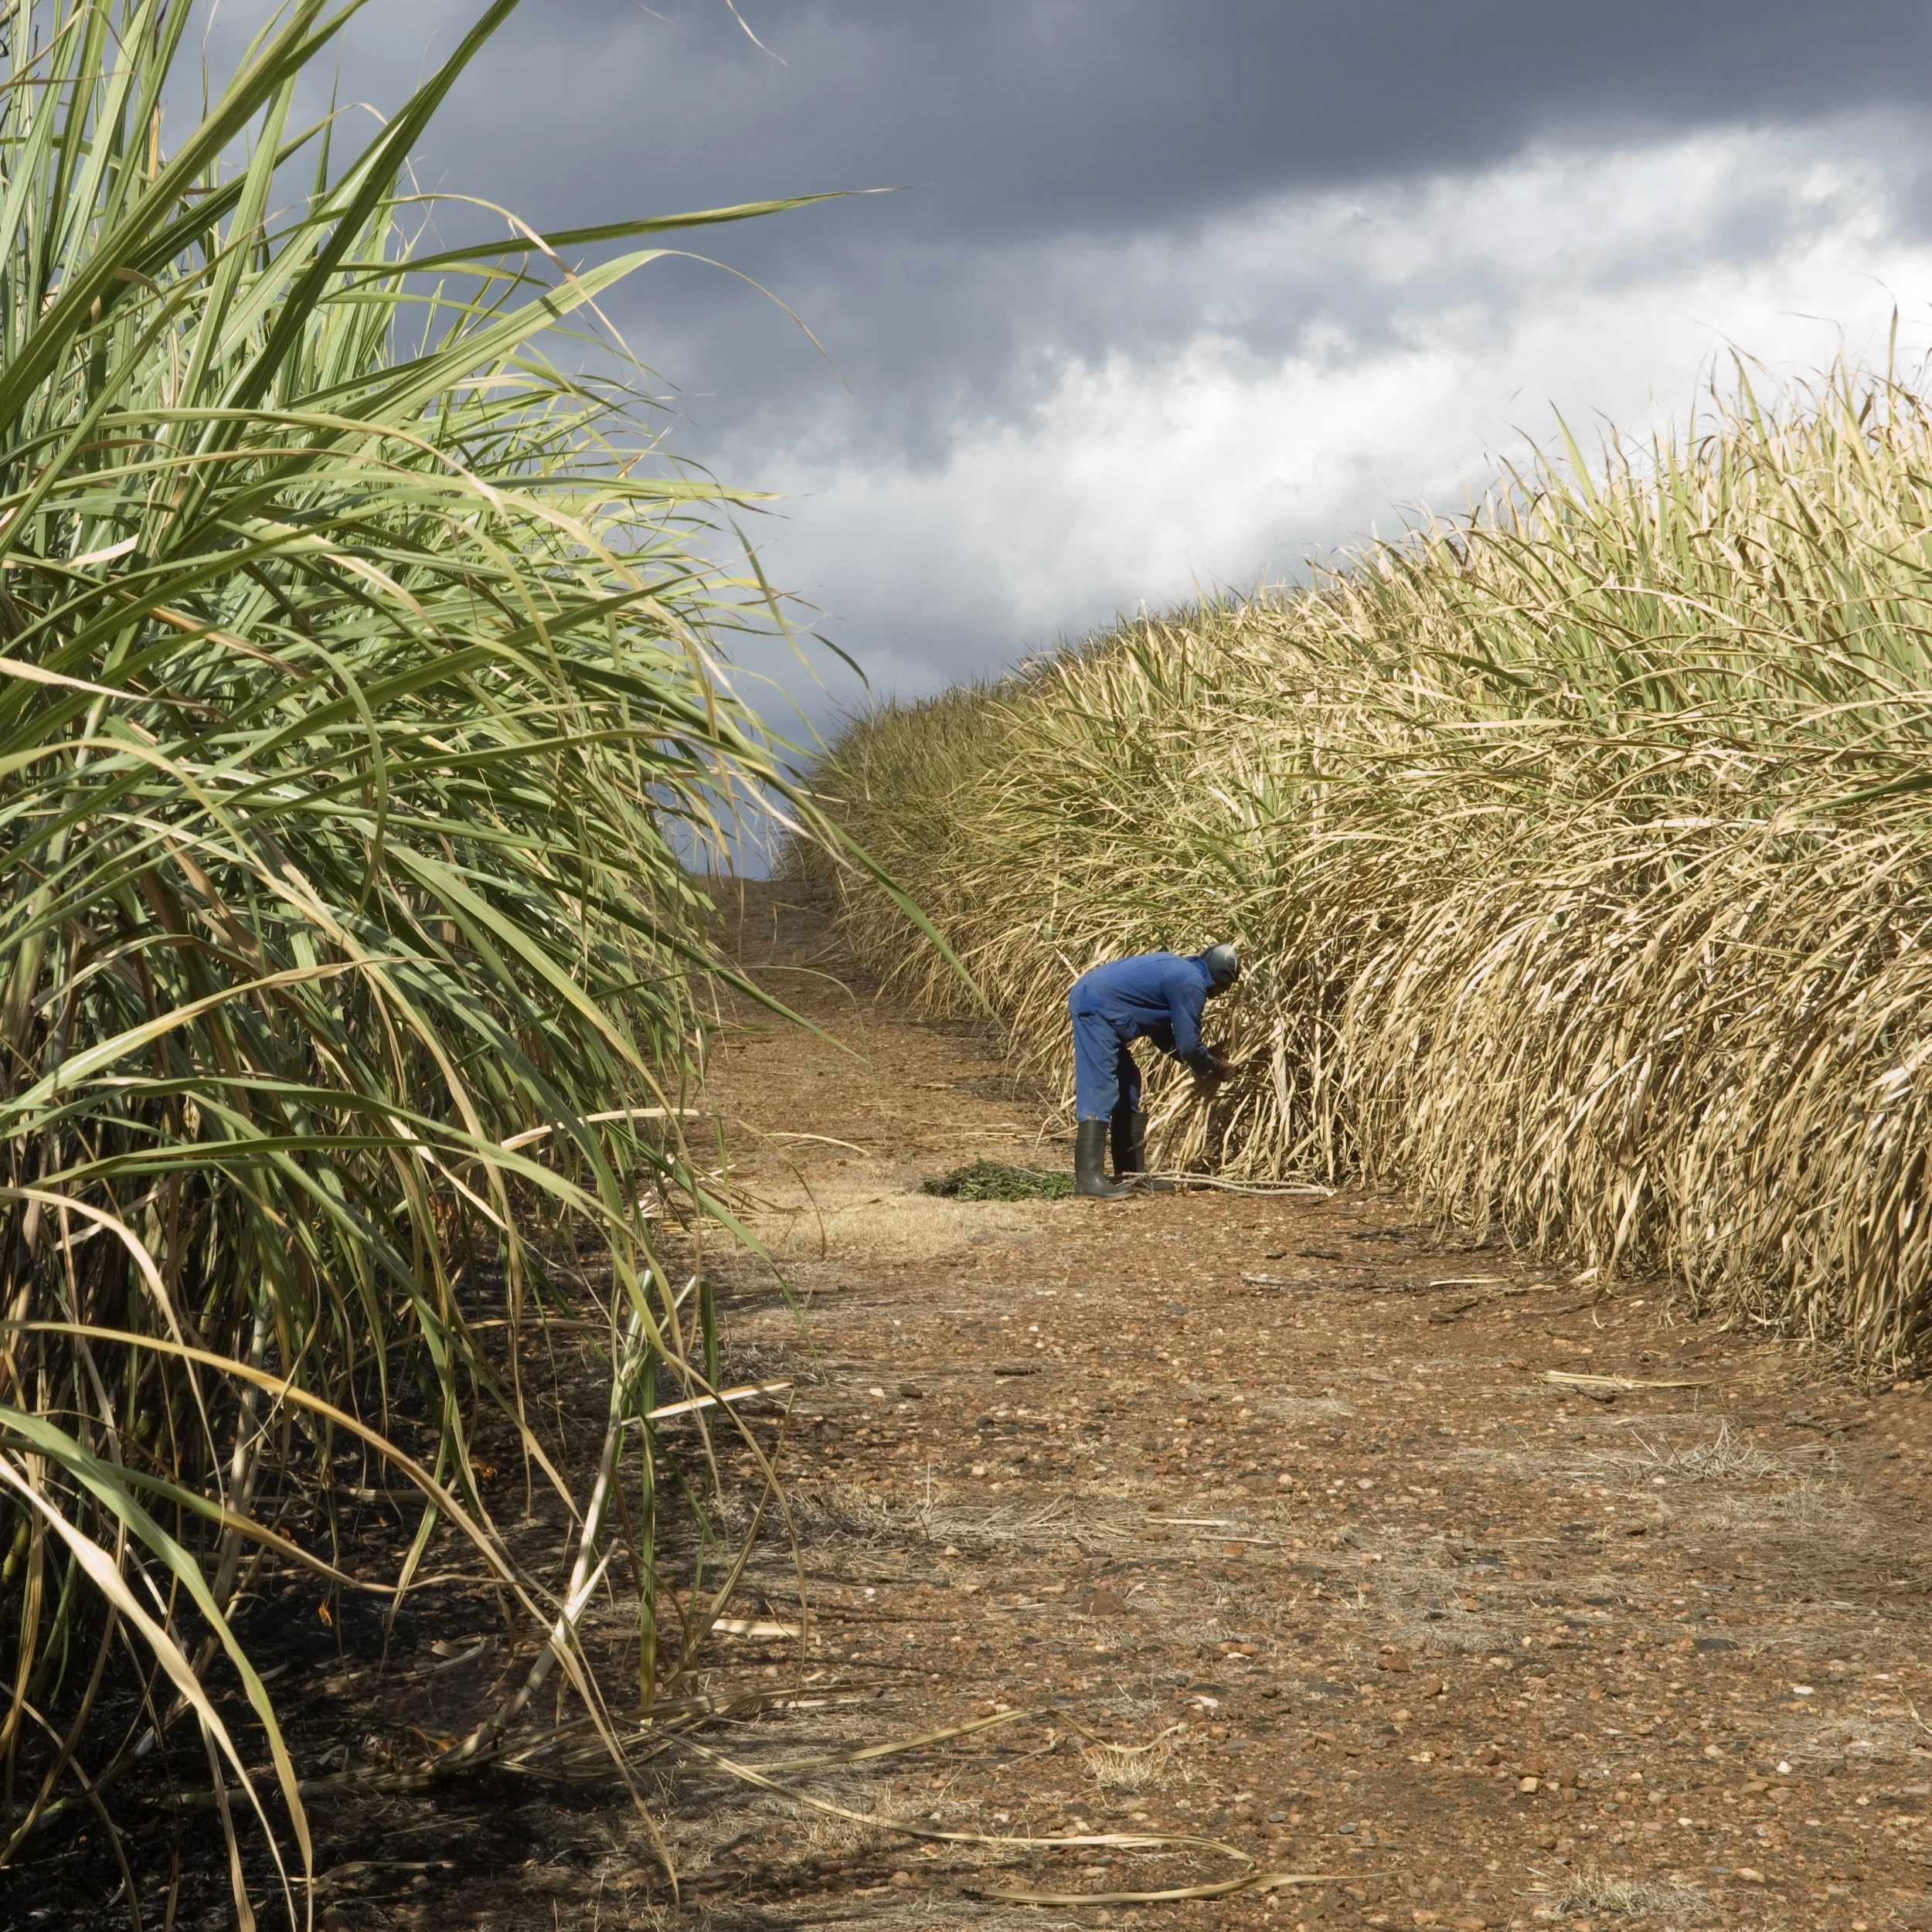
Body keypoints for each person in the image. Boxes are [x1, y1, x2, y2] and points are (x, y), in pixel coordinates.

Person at [1066, 944, 1240, 1198]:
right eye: (1225, 987)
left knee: (1128, 1084)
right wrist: (1215, 1066)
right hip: (1095, 1006)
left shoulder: (1182, 972)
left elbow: (1166, 1037)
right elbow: (1189, 1047)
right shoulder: (1192, 983)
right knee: (1101, 1086)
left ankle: (1130, 1175)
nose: (1221, 994)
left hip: (1099, 1001)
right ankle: (1088, 1181)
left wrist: (1206, 1057)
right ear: (1220, 979)